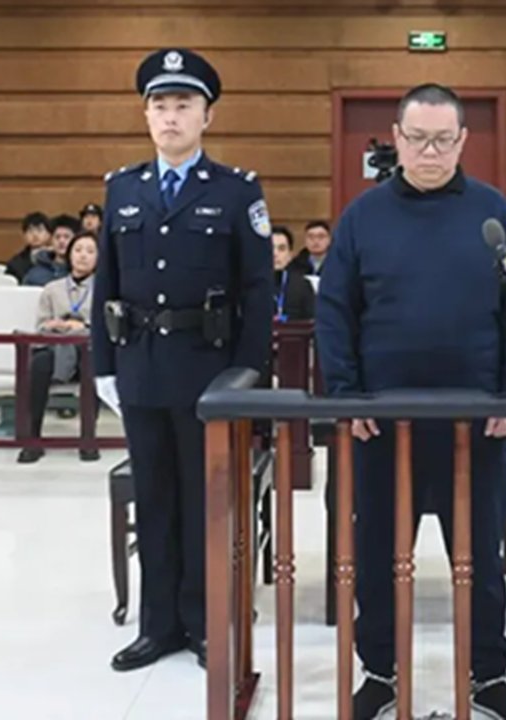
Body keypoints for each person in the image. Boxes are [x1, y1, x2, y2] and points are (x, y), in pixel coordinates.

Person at [316, 83, 506, 720]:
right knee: (379, 557)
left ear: (464, 141)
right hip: (383, 425)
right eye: (417, 139)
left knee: (484, 558)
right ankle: (380, 673)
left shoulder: (494, 215)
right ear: (396, 138)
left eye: (444, 139)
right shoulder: (362, 217)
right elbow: (335, 313)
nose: (430, 151)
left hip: (477, 424)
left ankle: (487, 676)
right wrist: (347, 396)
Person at [91, 47, 273, 673]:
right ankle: (157, 625)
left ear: (206, 116)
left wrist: (247, 375)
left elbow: (258, 291)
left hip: (207, 370)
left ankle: (202, 622)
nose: (170, 117)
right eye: (160, 106)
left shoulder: (236, 190)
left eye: (183, 105)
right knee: (154, 500)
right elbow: (107, 283)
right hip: (140, 366)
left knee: (203, 503)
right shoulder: (122, 188)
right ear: (146, 116)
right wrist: (103, 365)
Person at [18, 232, 100, 464]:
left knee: (91, 361)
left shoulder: (104, 289)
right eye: (78, 250)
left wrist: (82, 326)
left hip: (87, 349)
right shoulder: (52, 289)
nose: (83, 256)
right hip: (56, 348)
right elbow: (40, 325)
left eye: (90, 251)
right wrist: (54, 325)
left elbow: (106, 326)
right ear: (69, 255)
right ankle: (33, 439)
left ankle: (88, 438)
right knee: (39, 363)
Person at [270, 224, 316, 322]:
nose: (275, 254)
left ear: (290, 254)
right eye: (270, 248)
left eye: (281, 249)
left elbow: (311, 321)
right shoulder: (250, 285)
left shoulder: (303, 285)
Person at [23, 214, 79, 287]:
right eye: (57, 237)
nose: (61, 241)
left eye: (66, 237)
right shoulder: (34, 274)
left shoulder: (81, 271)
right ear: (51, 240)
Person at [6, 212, 53, 283]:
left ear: (49, 234)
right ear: (24, 235)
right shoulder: (15, 263)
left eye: (39, 230)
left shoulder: (57, 259)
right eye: (30, 230)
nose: (35, 234)